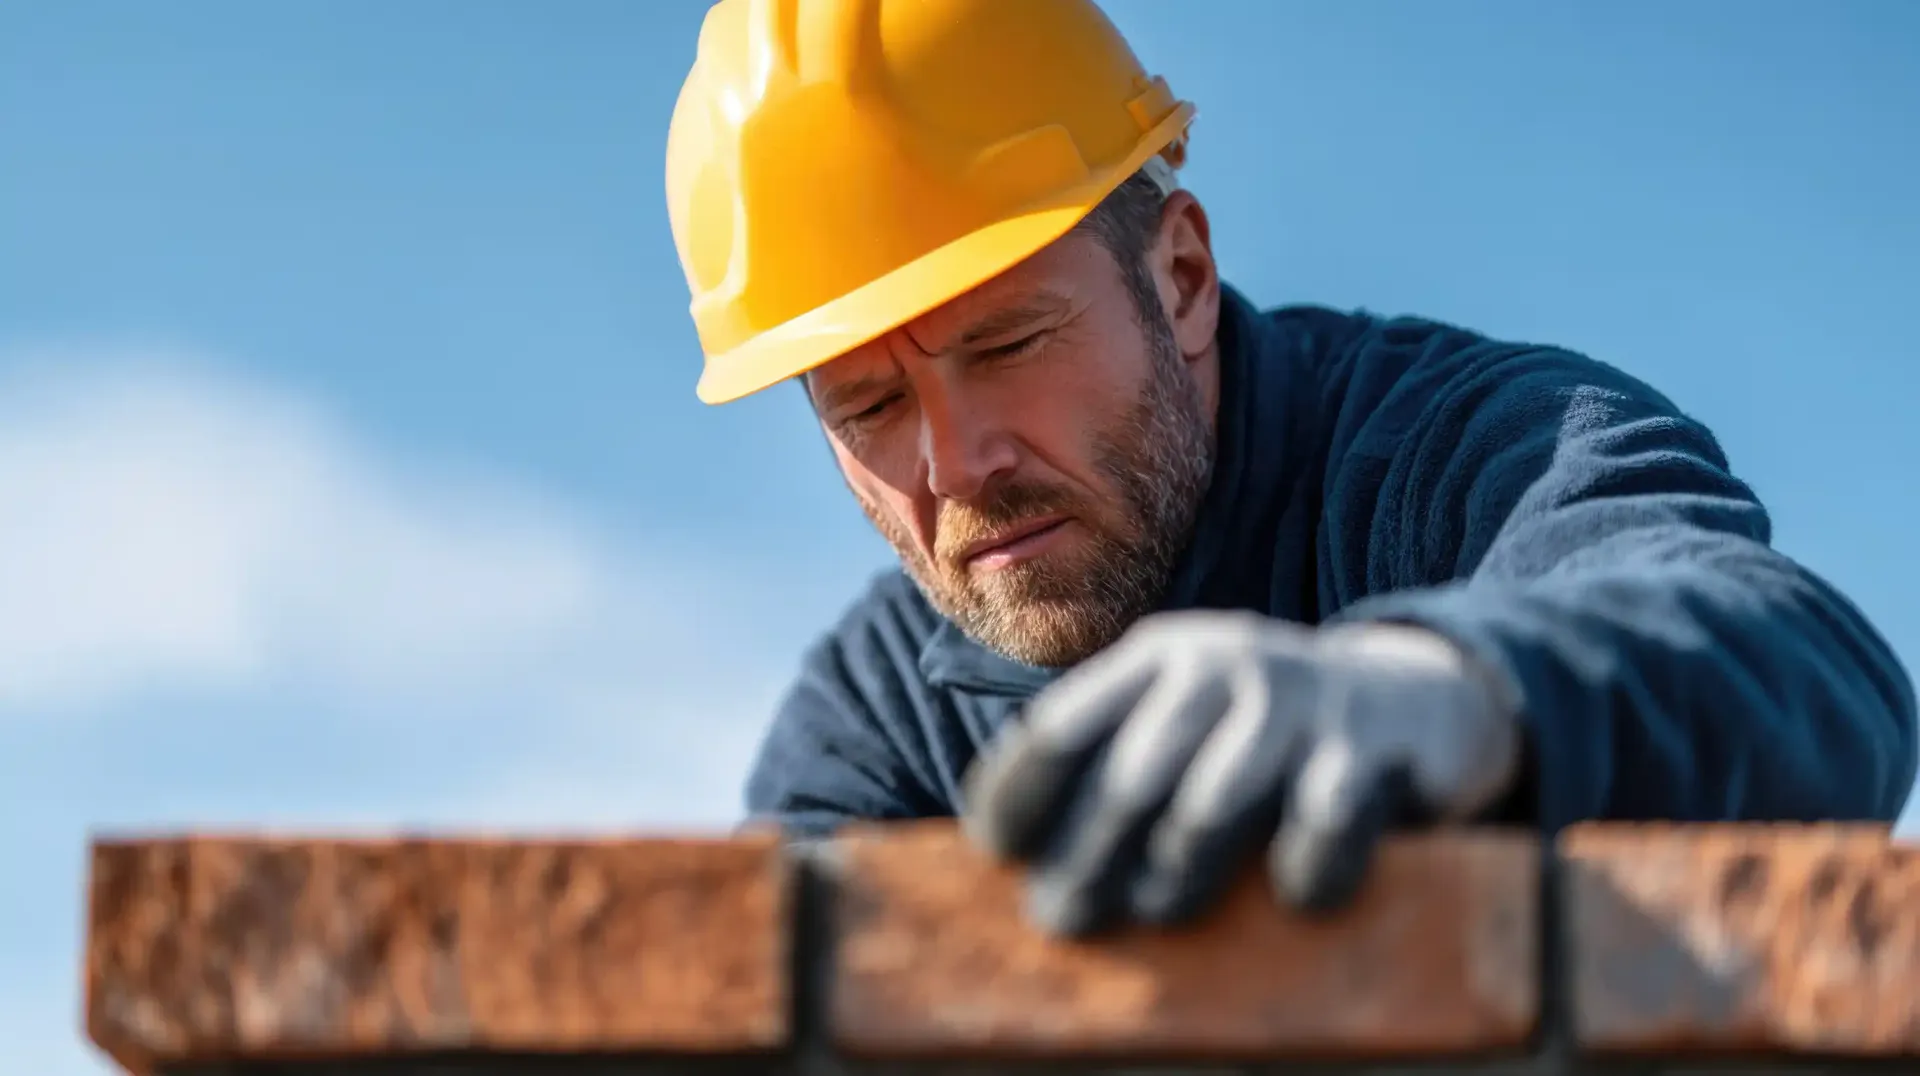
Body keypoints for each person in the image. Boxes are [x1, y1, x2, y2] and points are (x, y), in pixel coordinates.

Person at [664, 0, 1917, 935]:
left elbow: (1814, 678)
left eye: (1008, 341)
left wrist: (1448, 688)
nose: (957, 463)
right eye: (869, 403)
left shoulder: (1461, 453)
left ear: (1182, 278)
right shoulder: (885, 718)